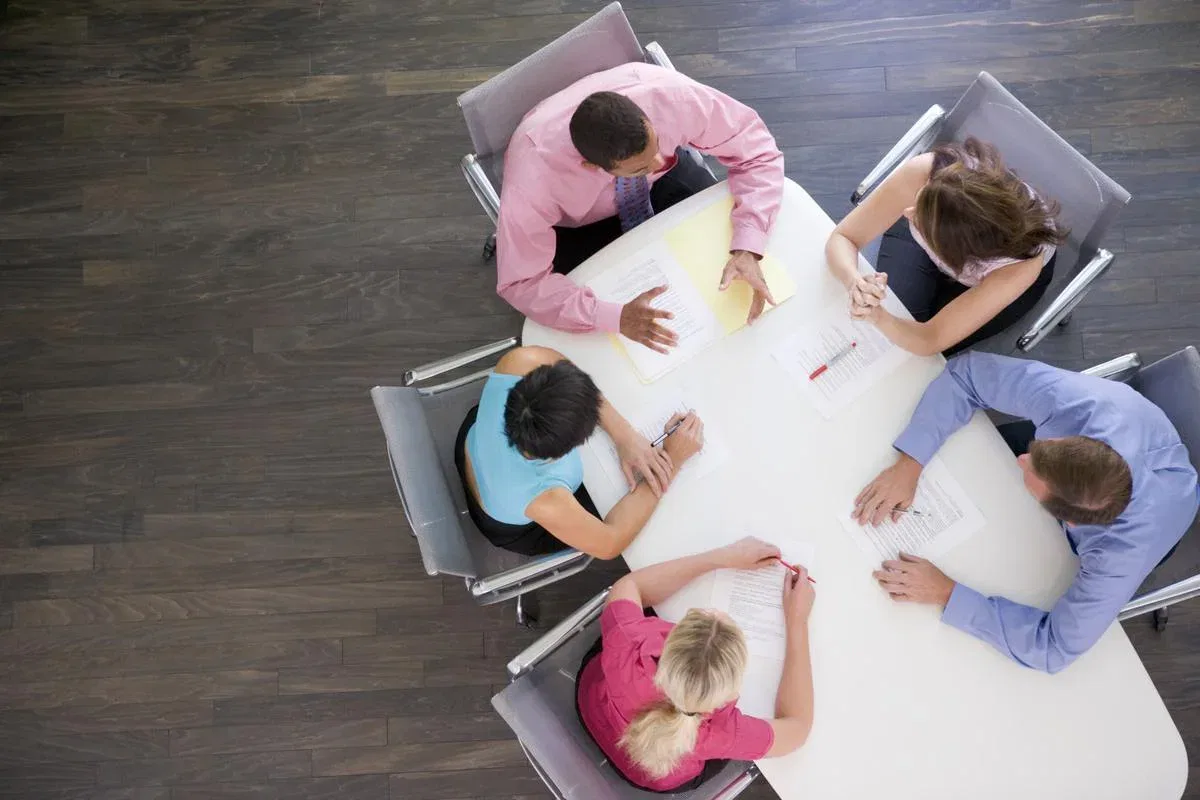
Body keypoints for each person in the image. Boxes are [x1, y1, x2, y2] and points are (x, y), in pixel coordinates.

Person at [852, 352, 1199, 673]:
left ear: (1068, 521)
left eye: (1032, 471)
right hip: (1128, 431)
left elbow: (1053, 648)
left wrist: (946, 592)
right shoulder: (1079, 404)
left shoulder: (1118, 556)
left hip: (1163, 514)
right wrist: (911, 462)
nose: (1022, 459)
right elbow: (967, 375)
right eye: (1040, 450)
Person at [497, 62, 785, 353]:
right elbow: (522, 283)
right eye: (640, 167)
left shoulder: (671, 98)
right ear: (592, 167)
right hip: (584, 226)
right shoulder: (531, 183)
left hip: (660, 187)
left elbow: (758, 152)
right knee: (602, 343)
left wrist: (748, 245)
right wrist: (612, 317)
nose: (659, 162)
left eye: (656, 145)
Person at [576, 537, 816, 791]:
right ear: (731, 692)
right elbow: (798, 729)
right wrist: (797, 621)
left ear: (669, 643)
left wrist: (720, 557)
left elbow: (630, 585)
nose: (719, 613)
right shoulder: (723, 733)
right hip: (652, 773)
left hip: (591, 705)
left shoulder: (629, 641)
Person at [455, 345, 704, 558]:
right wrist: (672, 459)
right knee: (615, 500)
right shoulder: (545, 498)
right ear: (563, 453)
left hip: (474, 444)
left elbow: (559, 362)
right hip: (512, 523)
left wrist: (624, 435)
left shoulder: (518, 362)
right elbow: (610, 543)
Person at [825, 137, 1065, 356]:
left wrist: (879, 317)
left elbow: (931, 339)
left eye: (921, 217)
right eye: (921, 199)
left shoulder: (1021, 267)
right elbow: (844, 237)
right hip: (952, 234)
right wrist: (854, 281)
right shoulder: (926, 174)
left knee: (908, 348)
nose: (907, 212)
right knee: (897, 318)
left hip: (989, 273)